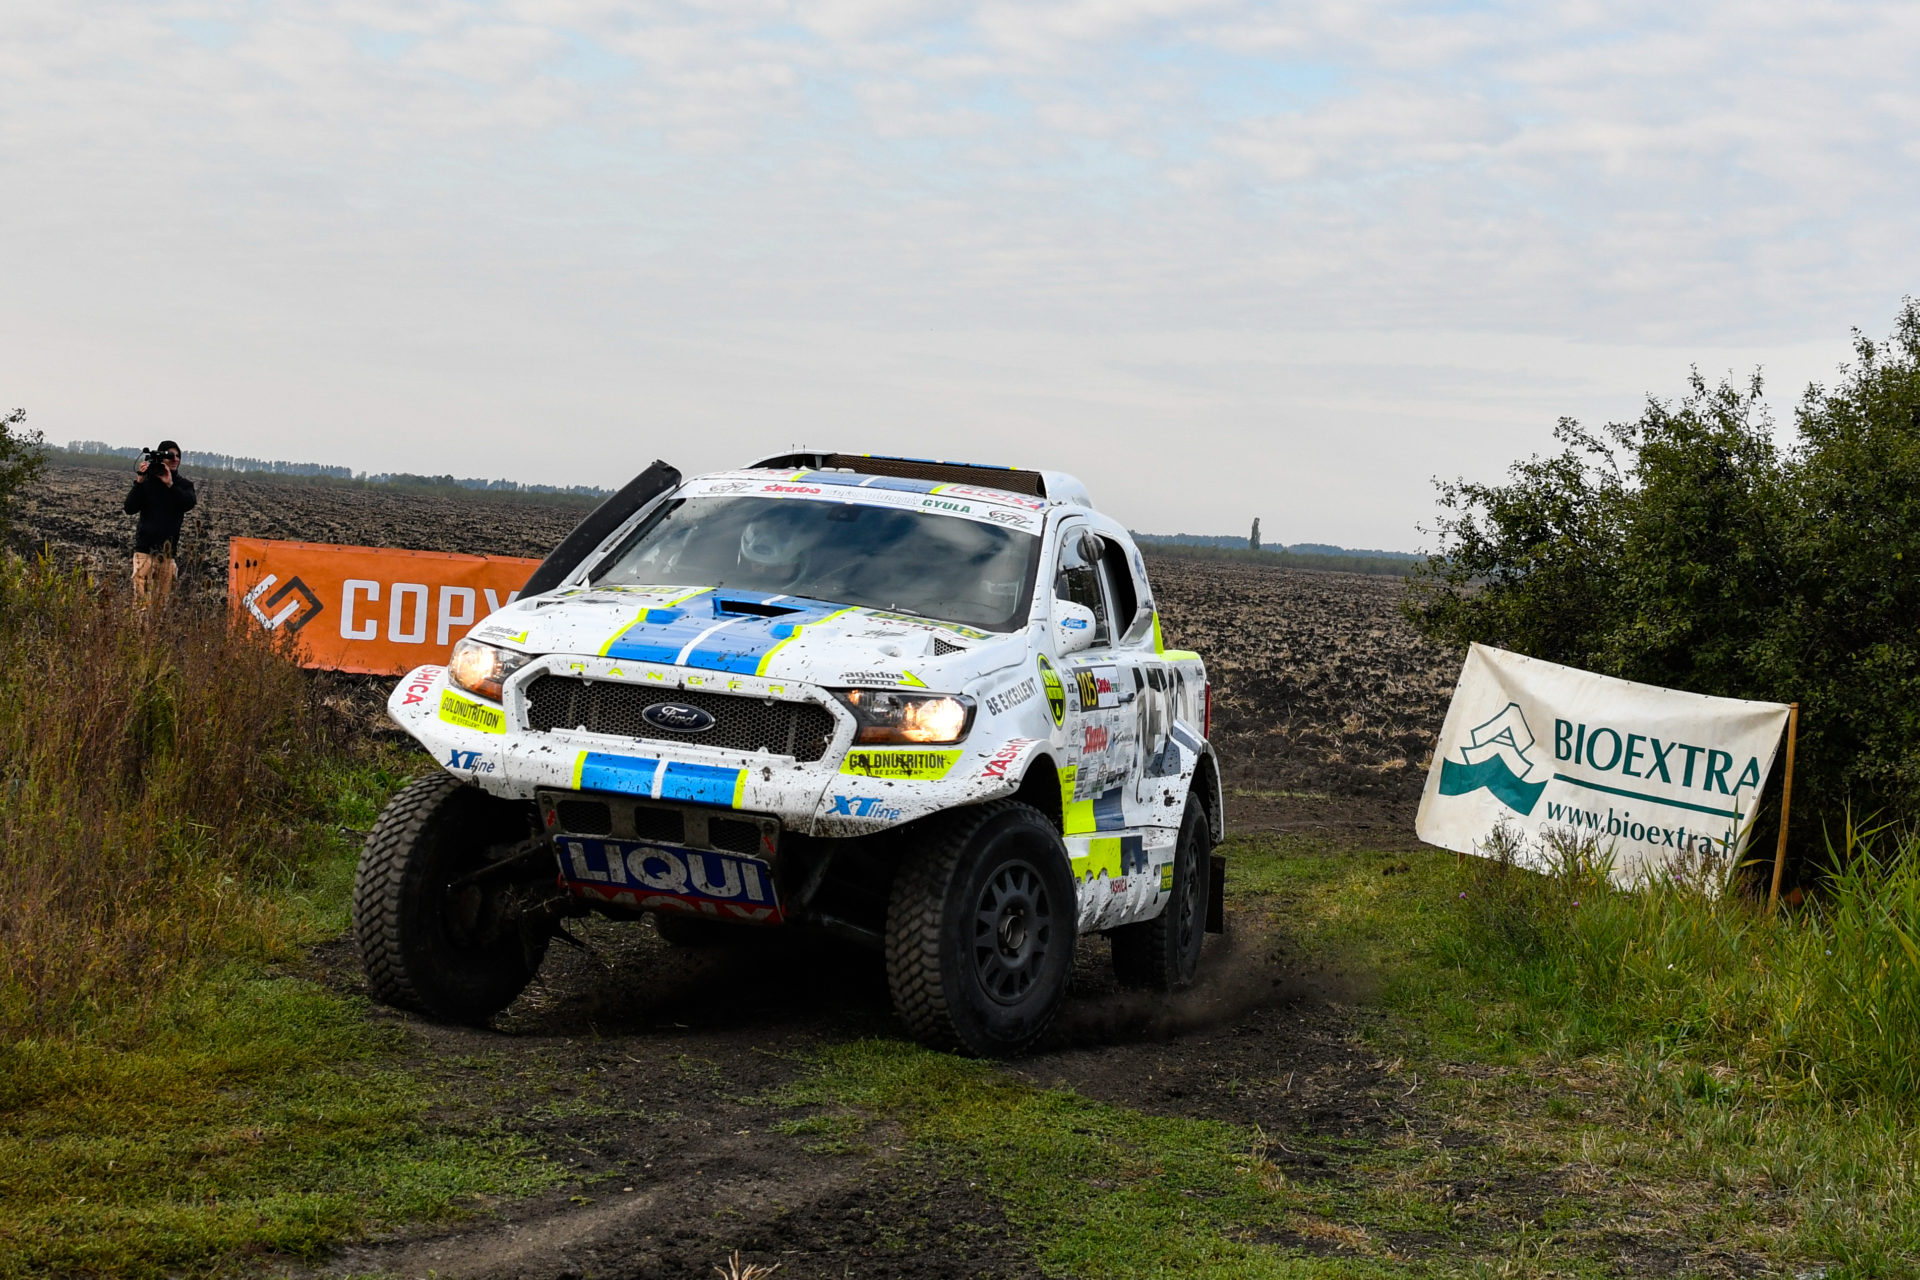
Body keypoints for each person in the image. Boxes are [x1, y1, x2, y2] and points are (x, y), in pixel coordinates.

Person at [124, 440, 196, 614]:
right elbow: (129, 508)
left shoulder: (183, 485)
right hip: (144, 550)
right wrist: (140, 480)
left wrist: (170, 484)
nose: (175, 459)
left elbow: (189, 503)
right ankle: (138, 637)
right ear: (161, 458)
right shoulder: (147, 483)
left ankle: (154, 637)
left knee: (160, 604)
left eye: (178, 456)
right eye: (170, 456)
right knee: (140, 601)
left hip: (167, 553)